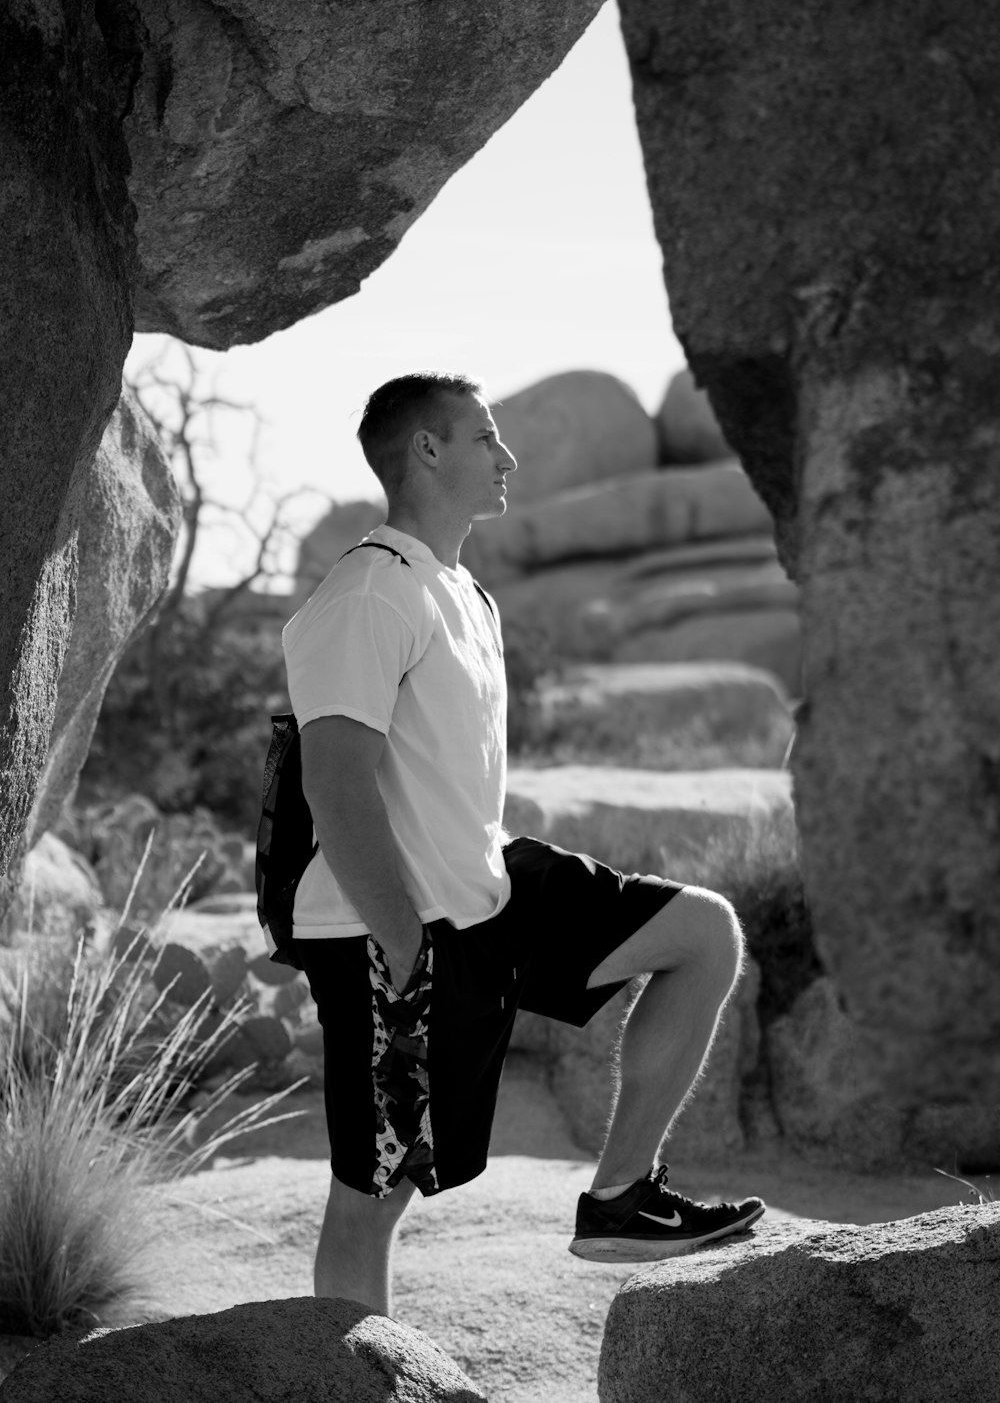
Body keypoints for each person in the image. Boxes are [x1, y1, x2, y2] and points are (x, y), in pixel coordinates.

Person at [282, 371, 764, 1315]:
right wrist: (405, 949)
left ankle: (622, 1198)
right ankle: (353, 1377)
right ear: (426, 451)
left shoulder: (463, 592)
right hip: (395, 929)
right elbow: (334, 783)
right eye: (485, 439)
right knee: (376, 1195)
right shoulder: (370, 591)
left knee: (703, 934)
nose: (508, 458)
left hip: (491, 889)